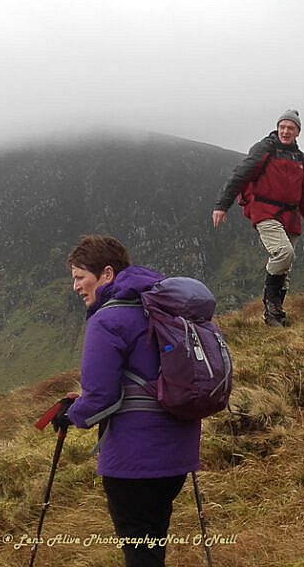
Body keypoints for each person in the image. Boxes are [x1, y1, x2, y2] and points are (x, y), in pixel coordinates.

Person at [53, 235, 200, 566]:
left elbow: (102, 394)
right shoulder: (164, 308)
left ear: (106, 274)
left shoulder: (108, 319)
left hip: (134, 461)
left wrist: (70, 416)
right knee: (153, 543)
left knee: (138, 549)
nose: (75, 286)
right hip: (177, 454)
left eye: (80, 277)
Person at [211, 109, 304, 327]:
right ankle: (270, 306)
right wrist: (222, 205)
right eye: (282, 126)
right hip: (264, 210)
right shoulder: (265, 148)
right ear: (277, 127)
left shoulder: (302, 159)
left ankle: (275, 316)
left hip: (291, 216)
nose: (285, 131)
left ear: (298, 132)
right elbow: (241, 174)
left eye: (291, 128)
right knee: (284, 253)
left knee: (286, 265)